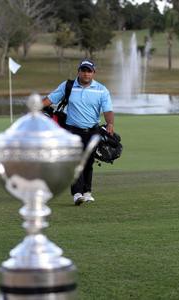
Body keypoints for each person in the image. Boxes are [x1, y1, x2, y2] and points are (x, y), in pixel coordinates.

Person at [42, 59, 114, 206]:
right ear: (78, 71)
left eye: (89, 71)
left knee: (88, 162)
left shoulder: (101, 89)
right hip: (72, 130)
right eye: (83, 70)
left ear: (94, 73)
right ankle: (77, 193)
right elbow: (50, 99)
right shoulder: (68, 86)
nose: (86, 74)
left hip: (92, 130)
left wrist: (110, 124)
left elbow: (107, 110)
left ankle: (87, 192)